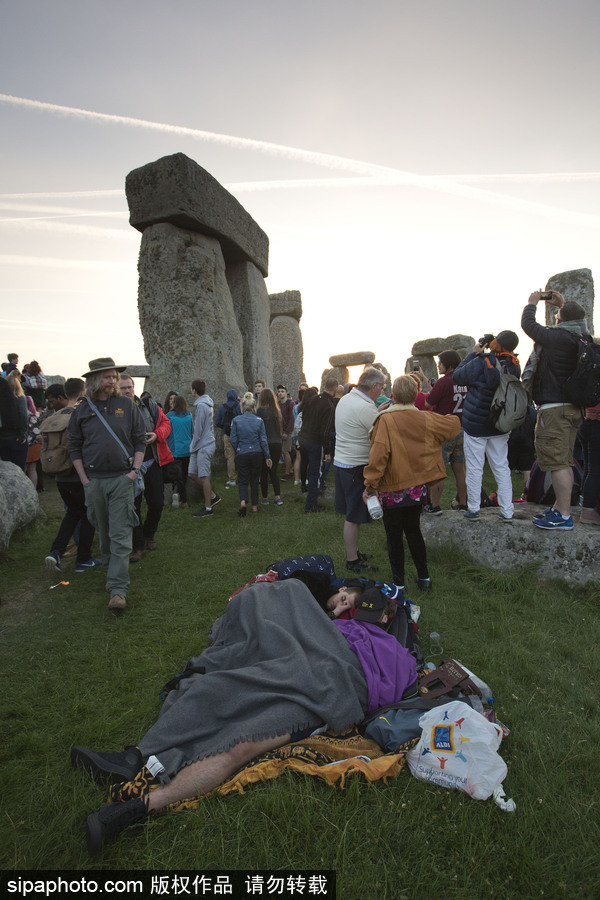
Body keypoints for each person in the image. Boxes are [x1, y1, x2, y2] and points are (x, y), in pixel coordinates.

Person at [70, 577, 416, 856]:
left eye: (373, 611)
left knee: (243, 743)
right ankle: (136, 756)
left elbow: (384, 696)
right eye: (358, 607)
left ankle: (137, 809)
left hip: (327, 693)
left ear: (387, 618)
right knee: (219, 686)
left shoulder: (400, 654)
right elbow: (300, 634)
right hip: (297, 669)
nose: (363, 614)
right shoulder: (339, 627)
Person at [363, 374, 460, 593]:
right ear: (416, 395)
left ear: (393, 395)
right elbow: (453, 426)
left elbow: (378, 456)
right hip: (417, 487)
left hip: (391, 488)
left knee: (394, 536)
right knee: (414, 531)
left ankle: (398, 584)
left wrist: (370, 486)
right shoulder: (426, 418)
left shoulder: (385, 420)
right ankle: (424, 578)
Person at [67, 358, 147, 610]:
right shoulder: (82, 409)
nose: (113, 381)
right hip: (94, 481)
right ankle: (112, 575)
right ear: (94, 380)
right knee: (104, 534)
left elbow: (140, 440)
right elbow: (74, 446)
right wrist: (84, 480)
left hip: (122, 479)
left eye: (114, 376)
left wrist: (134, 471)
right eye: (107, 377)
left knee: (121, 534)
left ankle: (118, 590)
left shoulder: (126, 404)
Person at [521, 290, 592, 530]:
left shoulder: (558, 337)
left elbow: (528, 325)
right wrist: (562, 305)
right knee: (564, 460)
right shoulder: (581, 337)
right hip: (572, 409)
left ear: (560, 321)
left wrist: (532, 303)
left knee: (558, 462)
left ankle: (563, 514)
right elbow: (573, 321)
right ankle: (559, 507)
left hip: (555, 409)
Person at [452, 331, 521, 522]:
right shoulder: (514, 364)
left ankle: (474, 508)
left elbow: (457, 376)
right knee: (501, 466)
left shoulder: (481, 361)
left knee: (475, 466)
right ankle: (507, 510)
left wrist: (473, 354)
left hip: (476, 423)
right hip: (500, 422)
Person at [44, 378, 102, 575]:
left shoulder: (56, 416)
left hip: (60, 475)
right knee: (88, 515)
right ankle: (84, 559)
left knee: (72, 514)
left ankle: (56, 551)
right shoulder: (82, 415)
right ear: (83, 393)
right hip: (80, 475)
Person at [334, 367, 386, 572]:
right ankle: (352, 560)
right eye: (381, 387)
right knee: (353, 517)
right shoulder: (366, 408)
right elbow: (379, 436)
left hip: (341, 462)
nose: (382, 391)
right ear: (374, 386)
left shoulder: (346, 399)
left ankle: (354, 551)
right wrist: (380, 415)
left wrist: (377, 414)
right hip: (355, 466)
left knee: (350, 513)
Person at [119, 374, 173, 561]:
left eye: (129, 387)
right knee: (133, 506)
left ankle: (149, 534)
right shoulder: (113, 411)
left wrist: (157, 435)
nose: (127, 391)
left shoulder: (148, 406)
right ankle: (138, 545)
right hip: (128, 466)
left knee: (157, 503)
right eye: (123, 388)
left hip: (151, 462)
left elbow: (166, 423)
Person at [423, 350, 468, 512]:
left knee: (439, 469)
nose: (438, 365)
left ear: (449, 364)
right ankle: (463, 503)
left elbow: (428, 403)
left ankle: (435, 505)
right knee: (460, 469)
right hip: (461, 428)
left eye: (440, 363)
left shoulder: (444, 382)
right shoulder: (466, 380)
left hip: (443, 429)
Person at [298, 378, 338, 513]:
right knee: (316, 474)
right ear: (335, 389)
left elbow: (303, 416)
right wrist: (327, 451)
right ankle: (311, 506)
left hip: (303, 437)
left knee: (307, 468)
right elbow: (325, 430)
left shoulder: (312, 399)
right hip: (314, 441)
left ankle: (306, 492)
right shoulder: (329, 405)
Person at [230, 392, 272, 515]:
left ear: (242, 407)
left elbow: (233, 439)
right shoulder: (259, 420)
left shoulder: (236, 420)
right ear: (254, 407)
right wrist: (267, 456)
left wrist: (238, 448)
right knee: (254, 479)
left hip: (242, 451)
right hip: (256, 452)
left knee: (243, 479)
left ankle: (243, 501)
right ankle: (254, 506)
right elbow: (263, 439)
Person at [188, 380, 221, 519]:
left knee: (204, 476)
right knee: (191, 474)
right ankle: (212, 496)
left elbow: (199, 429)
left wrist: (193, 444)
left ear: (194, 390)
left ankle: (208, 508)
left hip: (204, 445)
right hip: (200, 444)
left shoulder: (202, 405)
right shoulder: (203, 404)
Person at [256, 387, 283, 505]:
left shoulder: (260, 411)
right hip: (277, 442)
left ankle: (265, 498)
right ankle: (277, 497)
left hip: (265, 442)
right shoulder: (277, 411)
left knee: (264, 472)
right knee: (273, 471)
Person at [166, 394, 193, 508]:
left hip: (175, 450)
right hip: (187, 449)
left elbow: (166, 433)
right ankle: (181, 498)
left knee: (177, 476)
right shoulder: (189, 415)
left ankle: (182, 498)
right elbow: (192, 431)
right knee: (184, 475)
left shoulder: (169, 416)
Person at [578, 390, 600, 525]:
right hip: (597, 422)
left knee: (589, 468)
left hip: (585, 420)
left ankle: (586, 504)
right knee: (595, 470)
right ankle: (588, 509)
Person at [0, 371, 27, 469]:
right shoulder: (20, 398)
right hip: (16, 436)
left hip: (2, 436)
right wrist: (22, 434)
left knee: (6, 468)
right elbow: (23, 415)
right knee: (19, 468)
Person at [215, 389, 241, 487]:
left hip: (227, 434)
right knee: (241, 455)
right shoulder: (239, 406)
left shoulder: (222, 407)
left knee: (230, 457)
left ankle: (232, 479)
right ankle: (243, 477)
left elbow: (217, 422)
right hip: (239, 434)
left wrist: (224, 427)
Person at [277, 384, 296, 480]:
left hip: (288, 432)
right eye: (279, 391)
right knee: (284, 451)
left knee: (285, 451)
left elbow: (293, 419)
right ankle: (290, 469)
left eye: (282, 391)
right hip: (280, 431)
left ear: (286, 393)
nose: (280, 393)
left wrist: (287, 432)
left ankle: (287, 473)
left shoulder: (290, 403)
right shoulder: (278, 404)